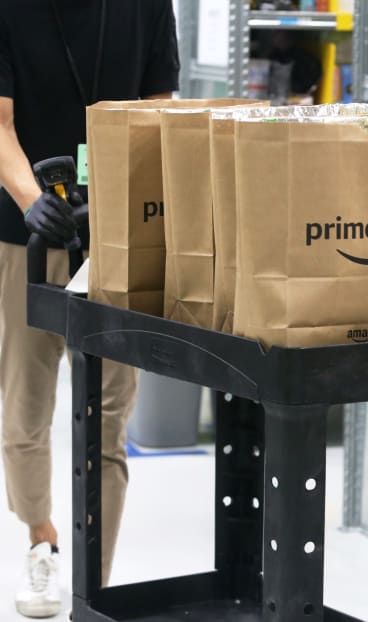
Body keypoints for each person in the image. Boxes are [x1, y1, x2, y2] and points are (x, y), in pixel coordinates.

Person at [0, 1, 180, 617]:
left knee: (106, 418)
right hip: (21, 237)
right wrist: (32, 202)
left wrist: (113, 186)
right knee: (25, 410)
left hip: (117, 238)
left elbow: (160, 106)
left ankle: (92, 585)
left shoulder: (149, 6)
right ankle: (41, 541)